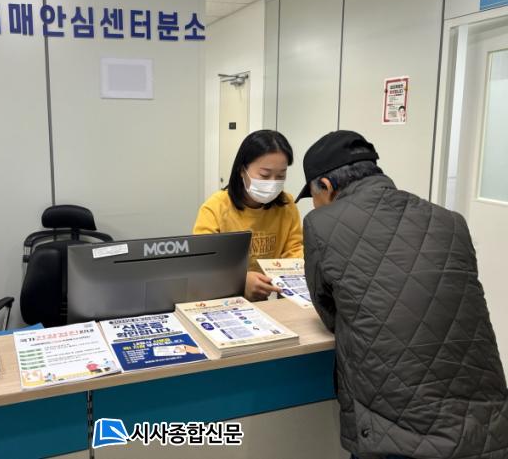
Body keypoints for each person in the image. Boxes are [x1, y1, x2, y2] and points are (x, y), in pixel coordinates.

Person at [297, 130, 508, 459]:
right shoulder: (451, 220)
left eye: (313, 195)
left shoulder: (321, 224)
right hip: (487, 421)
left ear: (325, 186)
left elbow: (331, 314)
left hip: (396, 430)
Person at [193, 130, 303, 301]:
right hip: (224, 299)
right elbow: (202, 265)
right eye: (265, 175)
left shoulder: (286, 205)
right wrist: (239, 281)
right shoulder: (215, 208)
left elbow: (294, 252)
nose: (273, 183)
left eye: (281, 175)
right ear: (242, 170)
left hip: (266, 301)